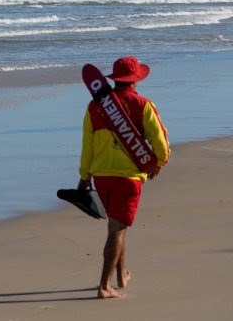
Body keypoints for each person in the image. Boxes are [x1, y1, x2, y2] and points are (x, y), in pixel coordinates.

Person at [78, 56, 170, 299]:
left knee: (117, 225)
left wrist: (84, 175)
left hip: (101, 175)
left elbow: (87, 144)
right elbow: (160, 141)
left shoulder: (94, 106)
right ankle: (104, 286)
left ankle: (121, 275)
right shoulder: (143, 105)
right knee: (117, 229)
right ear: (135, 80)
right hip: (128, 178)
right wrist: (159, 163)